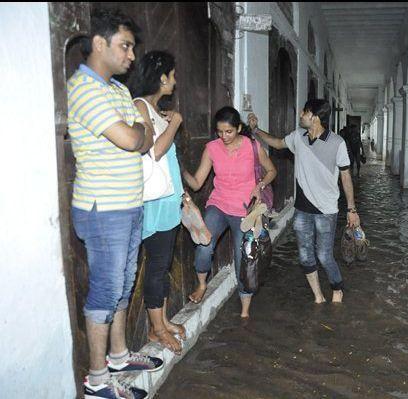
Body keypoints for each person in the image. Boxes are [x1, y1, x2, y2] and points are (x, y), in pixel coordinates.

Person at [68, 8, 161, 399]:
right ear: (100, 44)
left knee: (123, 286)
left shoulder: (118, 90)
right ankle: (96, 382)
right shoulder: (84, 88)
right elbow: (131, 138)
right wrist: (138, 131)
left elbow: (147, 135)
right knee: (106, 292)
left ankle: (119, 356)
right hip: (102, 209)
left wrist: (138, 131)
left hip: (127, 205)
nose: (132, 56)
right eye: (125, 46)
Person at [249, 99, 360, 304]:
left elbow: (345, 176)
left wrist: (351, 209)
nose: (300, 114)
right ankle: (318, 296)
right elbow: (277, 142)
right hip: (302, 209)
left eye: (304, 112)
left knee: (324, 255)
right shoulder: (298, 137)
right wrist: (256, 130)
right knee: (305, 256)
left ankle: (337, 287)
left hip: (326, 210)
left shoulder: (337, 143)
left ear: (315, 117)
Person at [183, 107, 277, 318]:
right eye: (219, 132)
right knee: (203, 243)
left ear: (239, 128)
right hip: (219, 204)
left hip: (246, 211)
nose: (223, 136)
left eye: (229, 132)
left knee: (244, 258)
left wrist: (260, 185)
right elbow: (197, 182)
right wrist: (179, 169)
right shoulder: (212, 148)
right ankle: (201, 284)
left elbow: (272, 171)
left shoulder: (252, 147)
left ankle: (244, 309)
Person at [128, 50, 186, 355]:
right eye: (172, 76)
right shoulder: (139, 106)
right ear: (161, 77)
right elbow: (155, 152)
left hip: (168, 198)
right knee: (156, 267)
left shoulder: (153, 109)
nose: (174, 83)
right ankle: (157, 329)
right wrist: (174, 124)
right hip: (153, 201)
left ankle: (162, 320)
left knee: (162, 267)